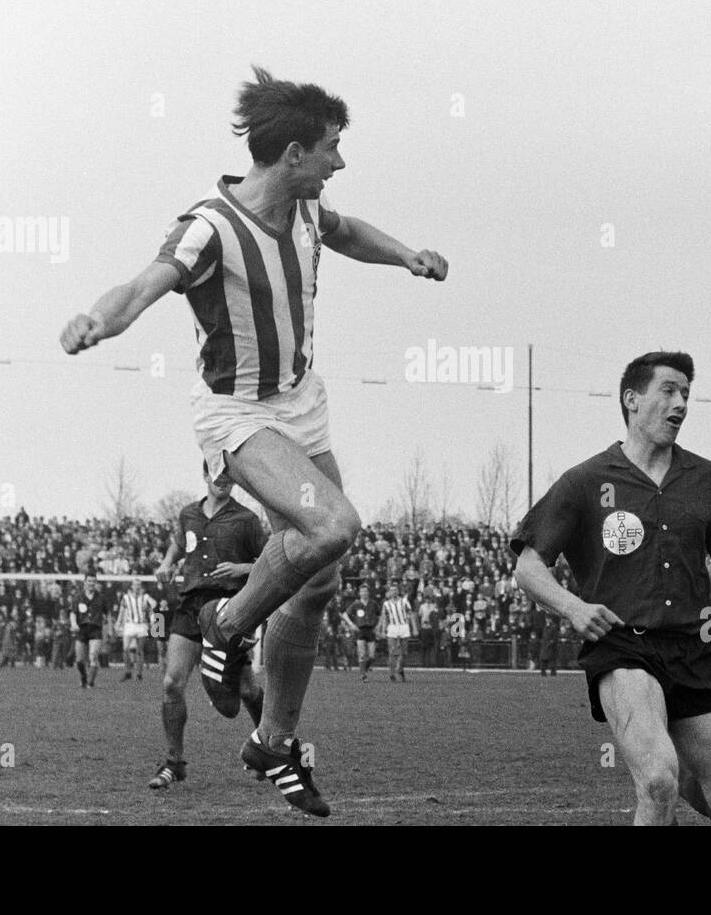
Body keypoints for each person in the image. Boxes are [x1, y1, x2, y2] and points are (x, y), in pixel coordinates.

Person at [60, 67, 447, 817]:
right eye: (333, 149)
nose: (340, 163)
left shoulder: (306, 209)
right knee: (334, 524)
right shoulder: (212, 225)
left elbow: (349, 231)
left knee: (321, 581)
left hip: (301, 405)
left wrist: (405, 255)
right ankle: (226, 624)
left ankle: (272, 744)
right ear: (295, 153)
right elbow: (144, 284)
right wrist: (99, 321)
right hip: (237, 412)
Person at [511, 351, 711, 826]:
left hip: (697, 653)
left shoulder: (707, 479)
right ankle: (661, 772)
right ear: (631, 399)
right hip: (622, 647)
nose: (681, 404)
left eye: (686, 395)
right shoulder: (586, 481)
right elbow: (529, 567)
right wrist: (573, 608)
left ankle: (673, 770)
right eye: (669, 391)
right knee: (656, 780)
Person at [147, 462, 268, 790]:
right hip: (189, 605)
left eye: (229, 476)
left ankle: (269, 751)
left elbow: (270, 562)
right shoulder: (188, 513)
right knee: (172, 683)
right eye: (217, 475)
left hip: (228, 612)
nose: (223, 481)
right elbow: (178, 542)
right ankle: (174, 763)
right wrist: (167, 562)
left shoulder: (246, 520)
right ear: (205, 476)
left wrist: (241, 568)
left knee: (246, 690)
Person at [69, 574, 106, 689]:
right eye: (89, 581)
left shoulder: (101, 598)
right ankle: (84, 678)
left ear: (96, 583)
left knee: (93, 656)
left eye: (93, 581)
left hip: (95, 629)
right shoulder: (78, 597)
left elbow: (107, 613)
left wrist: (110, 628)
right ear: (84, 582)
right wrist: (74, 624)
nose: (91, 583)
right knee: (79, 660)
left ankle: (90, 682)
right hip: (82, 629)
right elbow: (73, 612)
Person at [116, 579, 156, 682]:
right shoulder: (126, 597)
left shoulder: (145, 597)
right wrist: (118, 623)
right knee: (125, 649)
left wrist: (148, 605)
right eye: (135, 585)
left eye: (138, 585)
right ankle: (128, 671)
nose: (137, 586)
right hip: (129, 625)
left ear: (141, 586)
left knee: (139, 650)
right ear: (132, 586)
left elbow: (154, 603)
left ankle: (139, 674)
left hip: (141, 625)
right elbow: (121, 611)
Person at [341, 584, 380, 682]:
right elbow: (345, 615)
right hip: (360, 630)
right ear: (359, 593)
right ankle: (363, 675)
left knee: (372, 656)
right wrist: (351, 625)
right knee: (362, 654)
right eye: (362, 591)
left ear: (368, 592)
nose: (364, 593)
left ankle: (364, 669)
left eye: (366, 591)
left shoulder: (373, 603)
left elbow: (380, 615)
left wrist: (378, 626)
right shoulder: (356, 604)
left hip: (370, 630)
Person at [381, 582, 412, 682]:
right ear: (389, 592)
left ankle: (400, 669)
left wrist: (414, 627)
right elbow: (384, 617)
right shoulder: (386, 604)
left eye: (395, 590)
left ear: (398, 591)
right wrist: (383, 630)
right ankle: (392, 673)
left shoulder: (404, 601)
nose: (394, 592)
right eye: (392, 590)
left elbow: (410, 614)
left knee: (404, 651)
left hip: (403, 626)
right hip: (392, 627)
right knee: (392, 651)